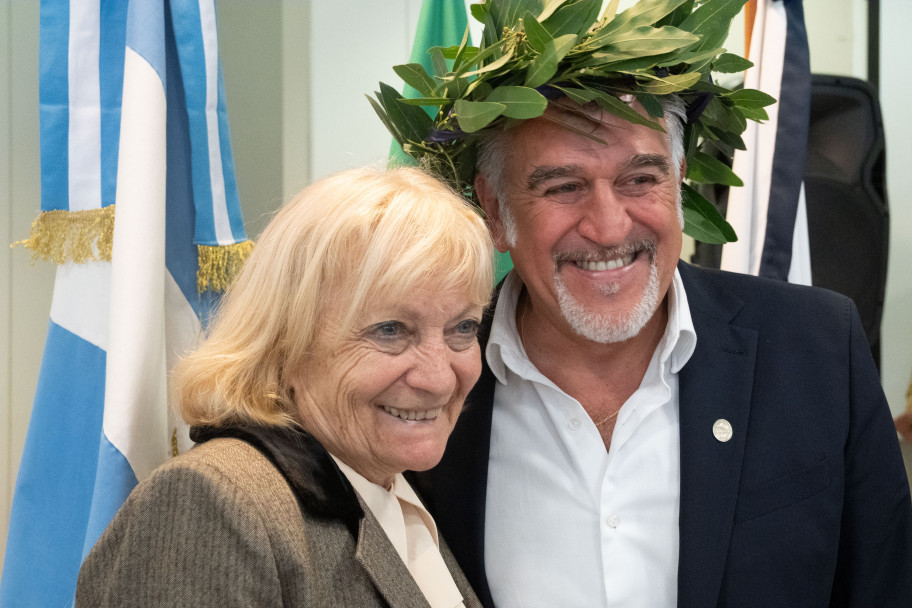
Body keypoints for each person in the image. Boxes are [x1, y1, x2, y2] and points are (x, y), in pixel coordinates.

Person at [372, 1, 912, 606]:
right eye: (564, 187)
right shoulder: (425, 387)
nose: (608, 227)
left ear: (680, 179)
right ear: (495, 212)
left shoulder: (815, 348)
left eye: (640, 179)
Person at [75, 166, 494, 607]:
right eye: (390, 330)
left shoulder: (393, 489)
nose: (439, 377)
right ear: (286, 341)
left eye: (463, 328)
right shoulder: (217, 503)